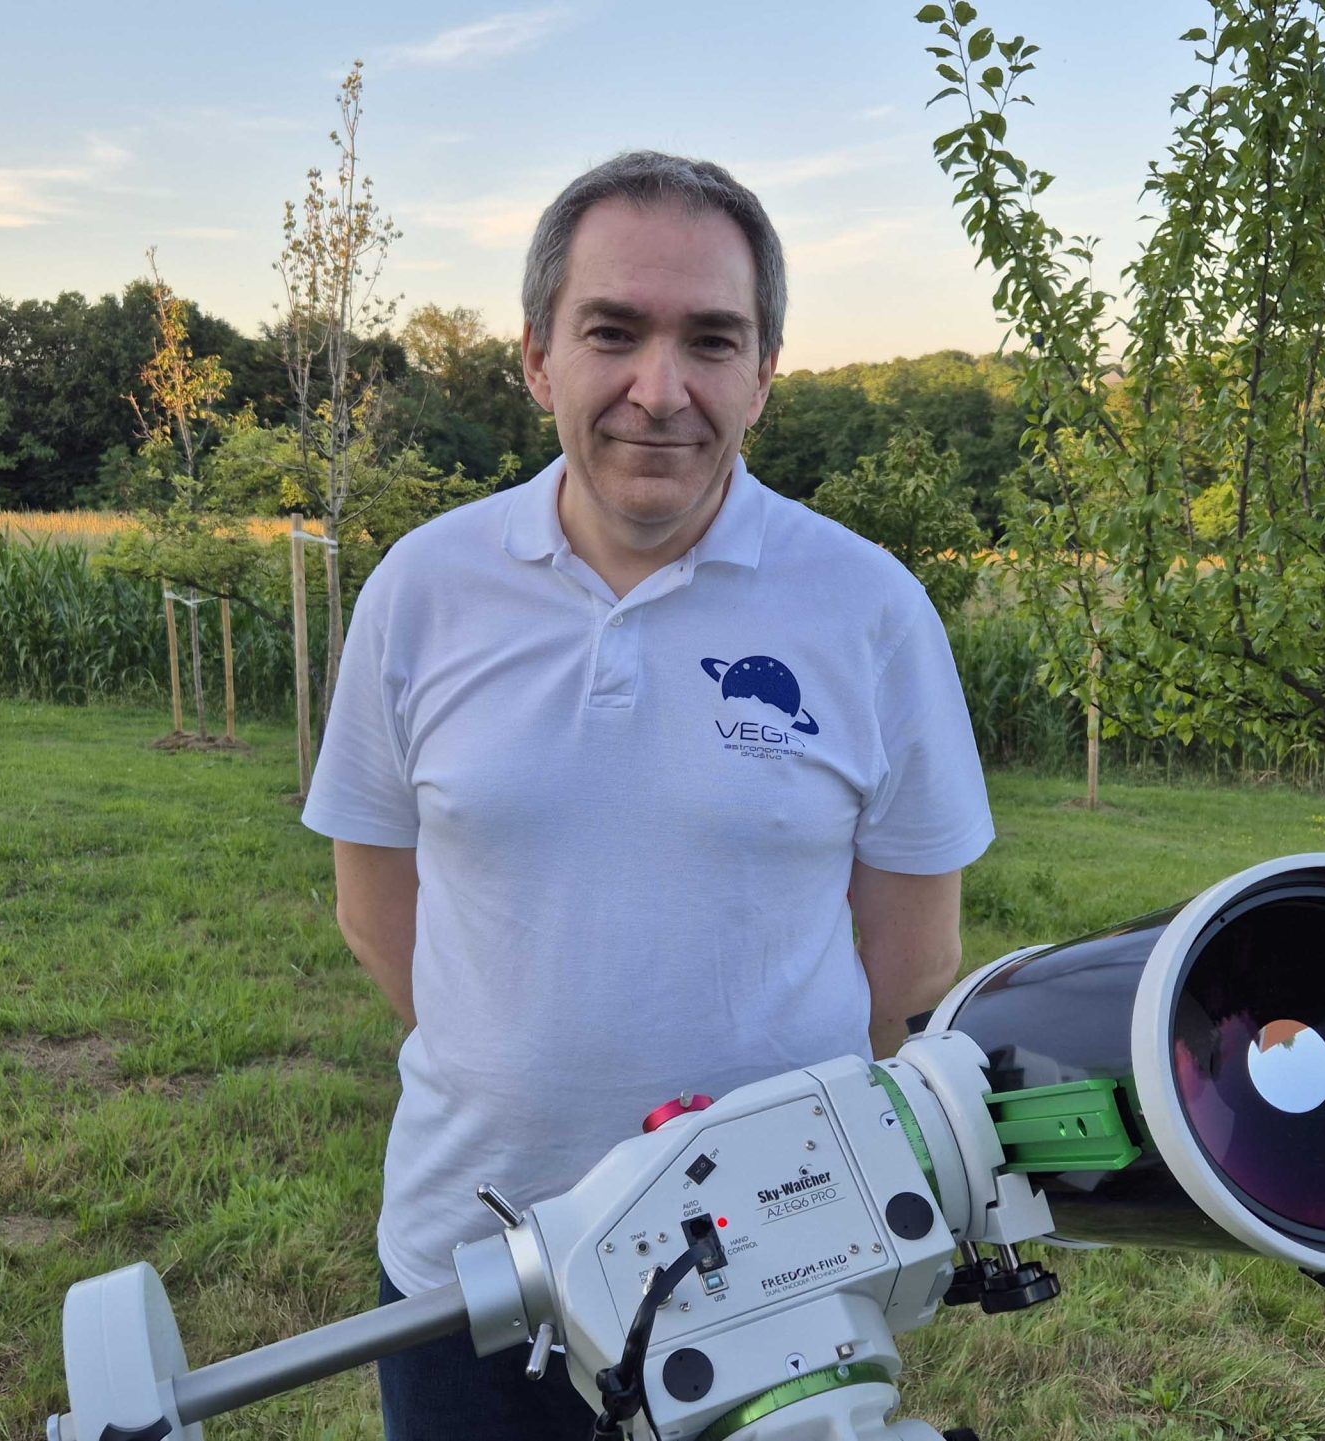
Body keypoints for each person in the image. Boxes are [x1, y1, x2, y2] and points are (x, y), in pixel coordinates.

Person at [300, 150, 994, 1440]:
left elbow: (914, 958)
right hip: (477, 1257)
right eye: (612, 331)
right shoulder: (422, 588)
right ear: (536, 358)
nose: (658, 390)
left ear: (766, 373)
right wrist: (518, 1077)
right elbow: (373, 905)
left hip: (775, 1276)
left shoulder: (869, 609)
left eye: (712, 341)